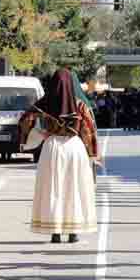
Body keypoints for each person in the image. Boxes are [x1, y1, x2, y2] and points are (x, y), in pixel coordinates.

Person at [18, 68, 101, 244]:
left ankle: (54, 231)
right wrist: (92, 154)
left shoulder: (45, 103)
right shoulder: (80, 105)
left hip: (52, 147)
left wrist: (39, 134)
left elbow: (25, 120)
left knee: (53, 188)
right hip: (74, 148)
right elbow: (89, 130)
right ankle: (73, 232)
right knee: (74, 188)